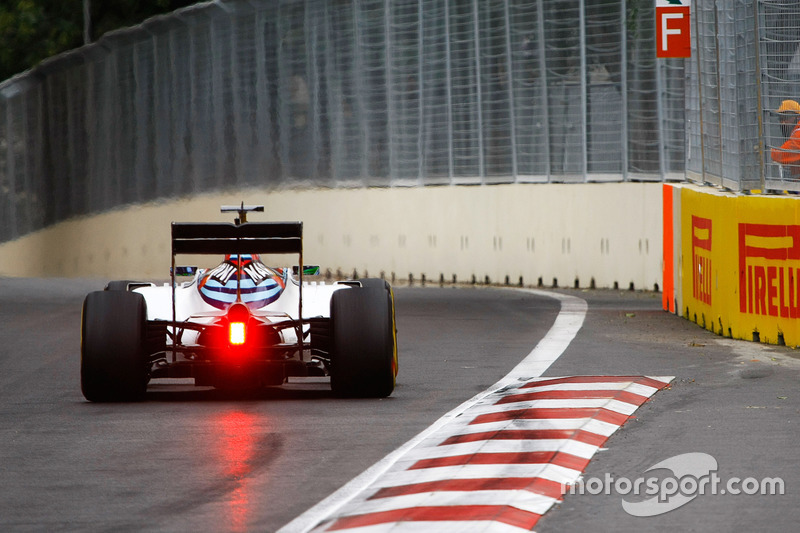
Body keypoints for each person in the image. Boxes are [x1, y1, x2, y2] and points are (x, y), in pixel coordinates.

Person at [771, 99, 800, 178]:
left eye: (786, 118)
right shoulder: (795, 133)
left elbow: (782, 155)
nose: (782, 122)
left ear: (797, 117)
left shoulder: (798, 134)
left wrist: (765, 152)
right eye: (781, 119)